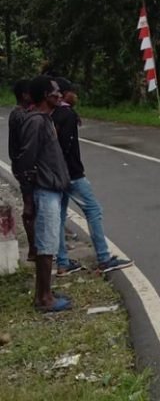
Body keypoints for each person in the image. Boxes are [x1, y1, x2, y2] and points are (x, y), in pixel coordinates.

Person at [52, 77, 132, 275]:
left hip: (54, 173)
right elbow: (66, 146)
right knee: (93, 210)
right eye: (72, 91)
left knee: (59, 217)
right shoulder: (67, 115)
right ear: (63, 94)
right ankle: (104, 258)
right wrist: (71, 172)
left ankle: (62, 261)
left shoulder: (51, 114)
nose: (75, 95)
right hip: (71, 174)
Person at [15, 76, 71, 312]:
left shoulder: (45, 120)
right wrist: (28, 199)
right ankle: (44, 299)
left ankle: (44, 293)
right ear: (46, 95)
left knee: (48, 244)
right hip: (44, 190)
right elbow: (25, 162)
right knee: (46, 245)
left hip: (51, 189)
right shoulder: (36, 122)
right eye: (56, 91)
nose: (60, 95)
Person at [8, 79, 36, 261]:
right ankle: (34, 248)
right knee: (30, 206)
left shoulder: (19, 113)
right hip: (25, 167)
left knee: (32, 205)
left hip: (21, 165)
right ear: (25, 95)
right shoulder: (21, 116)